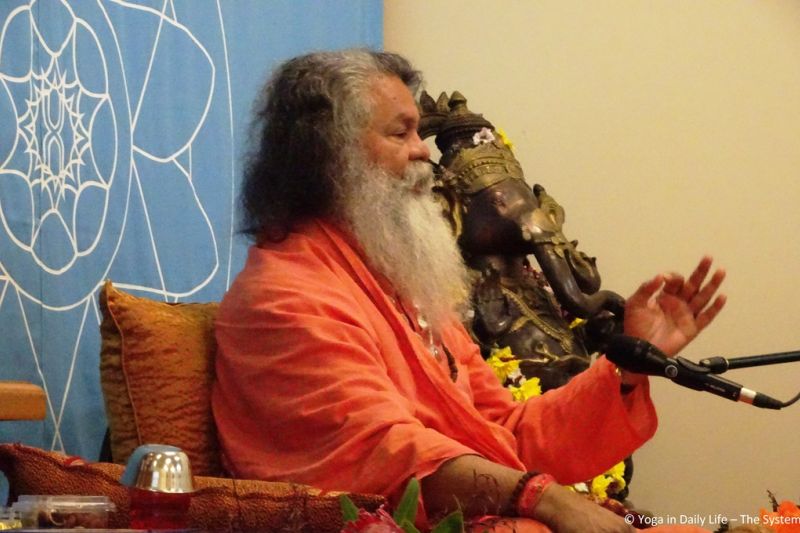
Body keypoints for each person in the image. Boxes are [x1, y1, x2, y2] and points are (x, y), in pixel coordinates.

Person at [211, 49, 727, 532]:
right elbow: (383, 455)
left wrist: (628, 364)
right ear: (331, 154)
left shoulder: (400, 287)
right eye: (401, 133)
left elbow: (508, 433)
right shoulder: (282, 298)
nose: (423, 151)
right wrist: (548, 500)